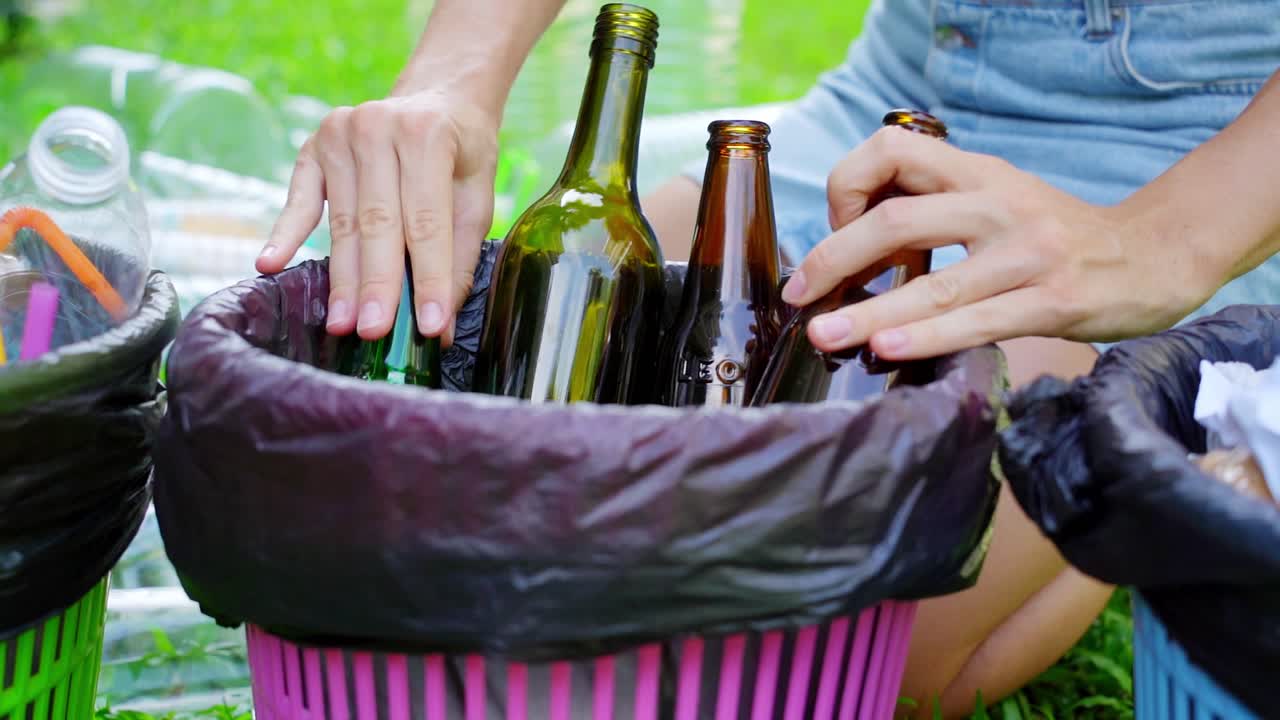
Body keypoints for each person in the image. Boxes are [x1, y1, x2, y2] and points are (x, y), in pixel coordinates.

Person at [256, 0, 1280, 715]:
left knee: (831, 649)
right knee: (594, 334)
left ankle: (1167, 448)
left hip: (1186, 158)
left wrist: (1160, 246)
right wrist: (451, 82)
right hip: (894, 107)